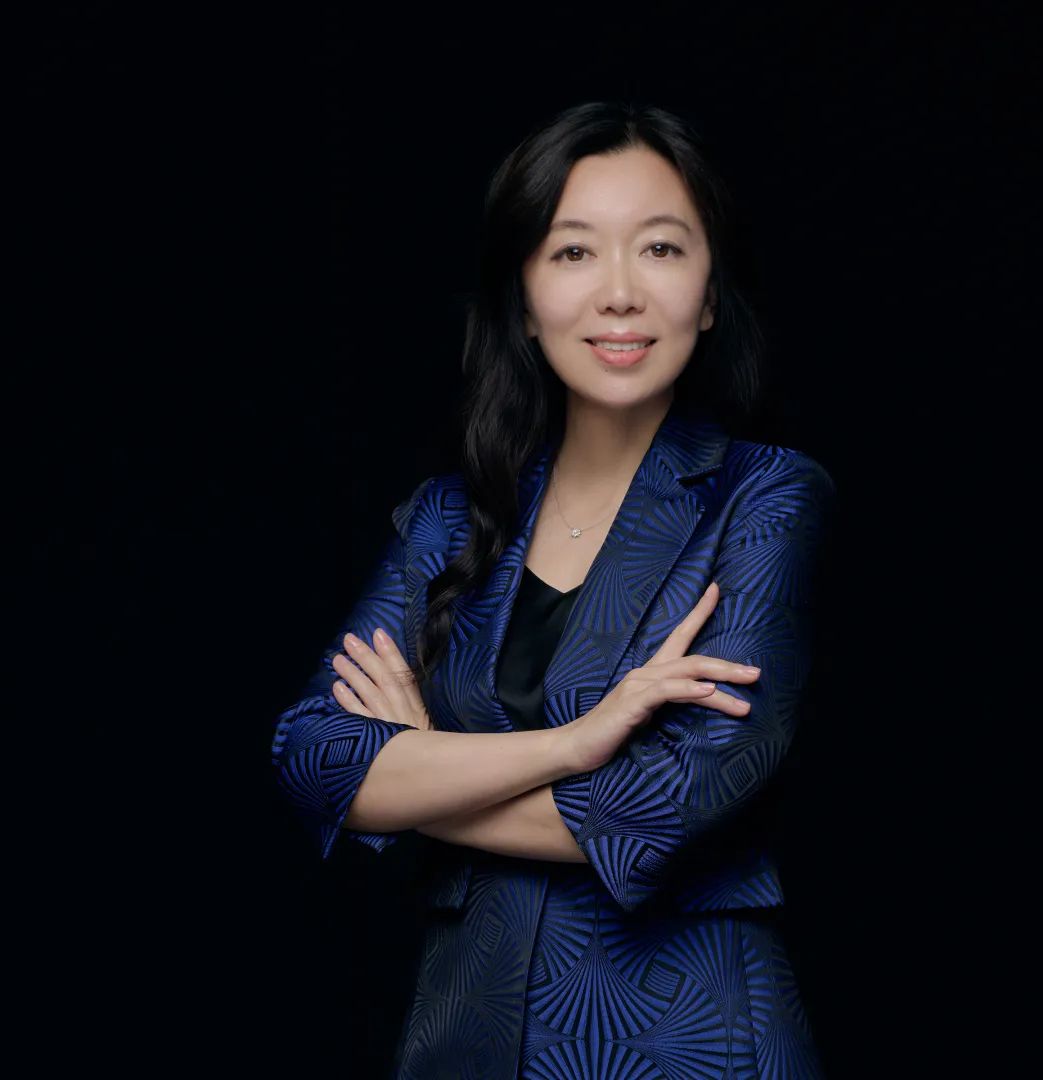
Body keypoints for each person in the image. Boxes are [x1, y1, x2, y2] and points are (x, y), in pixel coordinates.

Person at [271, 100, 836, 1079]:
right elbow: (315, 756)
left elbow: (668, 801)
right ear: (525, 300)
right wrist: (575, 744)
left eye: (660, 249)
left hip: (687, 1044)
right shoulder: (447, 518)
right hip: (466, 1038)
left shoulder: (764, 497)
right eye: (573, 252)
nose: (619, 293)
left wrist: (416, 774)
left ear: (708, 295)